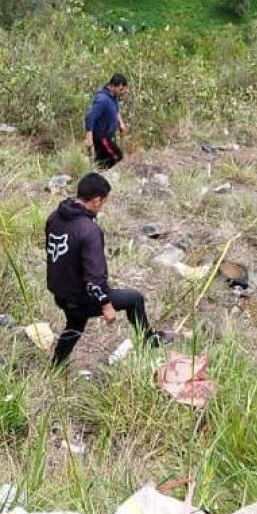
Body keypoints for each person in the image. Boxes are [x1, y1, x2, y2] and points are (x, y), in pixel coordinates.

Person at [45, 173, 165, 367]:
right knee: (134, 299)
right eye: (103, 202)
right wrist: (106, 304)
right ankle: (151, 343)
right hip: (79, 295)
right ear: (96, 200)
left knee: (75, 323)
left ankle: (57, 365)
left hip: (60, 292)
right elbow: (94, 277)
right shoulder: (89, 230)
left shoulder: (56, 216)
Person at [84, 74, 128, 169]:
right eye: (120, 89)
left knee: (101, 161)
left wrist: (121, 123)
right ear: (112, 86)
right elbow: (90, 117)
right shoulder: (102, 100)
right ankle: (103, 174)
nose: (122, 92)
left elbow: (116, 109)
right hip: (101, 136)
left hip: (107, 135)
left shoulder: (113, 96)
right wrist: (89, 137)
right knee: (117, 157)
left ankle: (99, 175)